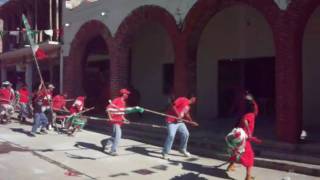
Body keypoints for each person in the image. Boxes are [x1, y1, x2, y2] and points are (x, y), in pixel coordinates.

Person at [226, 93, 259, 180]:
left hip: (237, 137)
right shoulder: (250, 115)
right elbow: (245, 121)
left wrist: (249, 98)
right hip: (244, 139)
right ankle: (248, 177)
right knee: (250, 156)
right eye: (255, 106)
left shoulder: (245, 113)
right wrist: (249, 133)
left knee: (236, 152)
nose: (256, 108)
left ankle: (231, 165)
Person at [101, 88, 131, 156]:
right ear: (123, 94)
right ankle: (113, 150)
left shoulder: (124, 102)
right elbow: (108, 109)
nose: (127, 95)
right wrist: (110, 118)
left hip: (119, 121)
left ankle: (104, 142)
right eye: (126, 93)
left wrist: (124, 119)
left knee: (114, 136)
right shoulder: (116, 100)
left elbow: (121, 112)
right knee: (118, 136)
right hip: (115, 121)